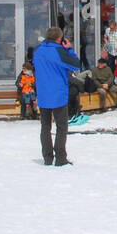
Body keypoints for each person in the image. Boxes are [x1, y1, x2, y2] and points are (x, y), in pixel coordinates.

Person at [33, 27, 81, 166]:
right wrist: (69, 49)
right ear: (60, 39)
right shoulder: (59, 52)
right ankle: (60, 157)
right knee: (61, 127)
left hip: (43, 94)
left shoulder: (38, 50)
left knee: (45, 126)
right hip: (58, 94)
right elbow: (75, 65)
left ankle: (47, 157)